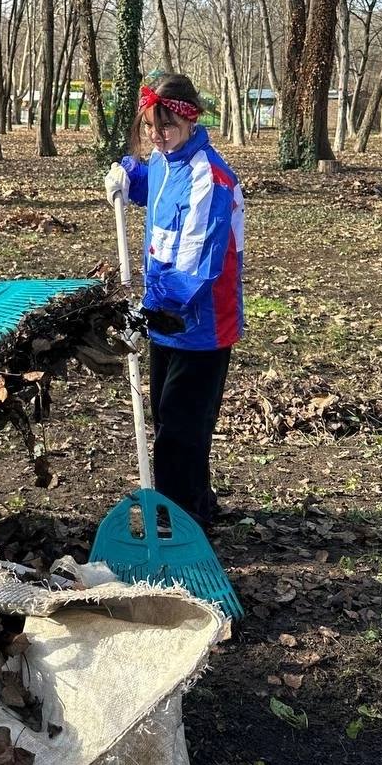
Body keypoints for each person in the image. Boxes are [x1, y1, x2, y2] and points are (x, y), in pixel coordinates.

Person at [104, 74, 244, 526]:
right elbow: (156, 184)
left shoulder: (210, 181)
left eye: (166, 126)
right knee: (169, 418)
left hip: (200, 324)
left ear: (190, 120)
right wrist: (129, 174)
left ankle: (179, 522)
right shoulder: (167, 160)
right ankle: (194, 503)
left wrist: (148, 311)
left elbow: (194, 268)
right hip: (165, 318)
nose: (156, 135)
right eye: (149, 126)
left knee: (183, 427)